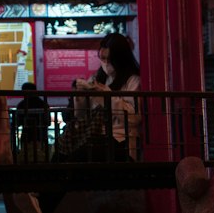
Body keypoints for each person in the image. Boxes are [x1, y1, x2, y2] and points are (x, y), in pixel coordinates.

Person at [42, 34, 143, 213]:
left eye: (108, 59)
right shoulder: (100, 78)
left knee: (77, 158)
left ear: (119, 58)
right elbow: (81, 115)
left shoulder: (133, 81)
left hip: (119, 143)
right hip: (96, 137)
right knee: (60, 154)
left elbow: (133, 118)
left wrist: (106, 95)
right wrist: (80, 97)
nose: (104, 63)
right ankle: (44, 200)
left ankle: (46, 204)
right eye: (101, 58)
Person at [13, 82, 51, 163]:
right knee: (42, 160)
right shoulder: (43, 104)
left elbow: (17, 122)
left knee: (26, 161)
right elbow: (48, 122)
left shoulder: (21, 105)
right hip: (41, 137)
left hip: (27, 137)